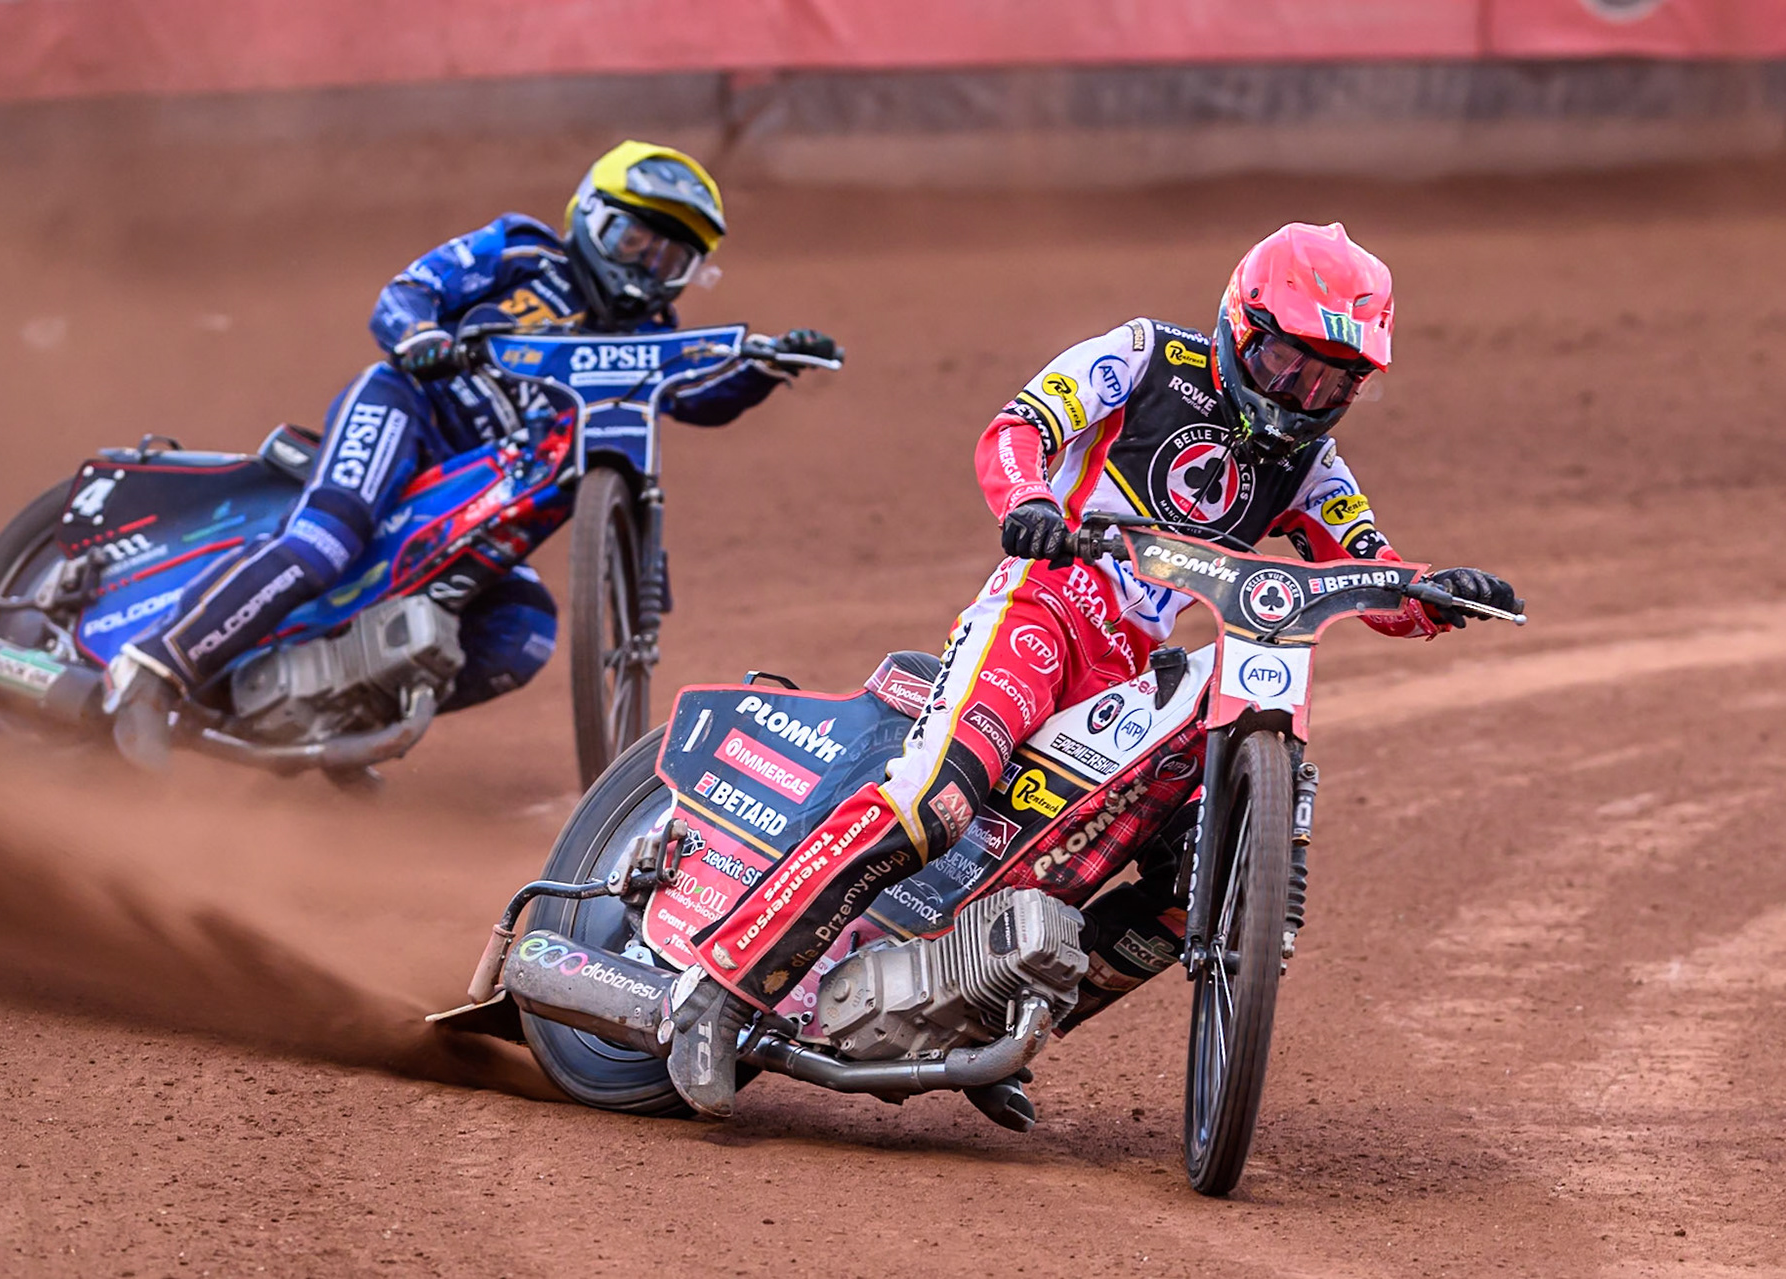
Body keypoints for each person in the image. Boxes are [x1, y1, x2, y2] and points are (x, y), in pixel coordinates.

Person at [663, 221, 1519, 1116]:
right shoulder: (1144, 355)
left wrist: (1432, 592)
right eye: (1285, 366)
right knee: (935, 805)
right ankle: (719, 989)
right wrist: (1030, 500)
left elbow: (1365, 565)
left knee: (1196, 885)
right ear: (1238, 324)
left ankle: (989, 1034)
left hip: (1131, 673)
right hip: (1043, 609)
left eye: (1332, 380)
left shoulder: (1312, 465)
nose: (1302, 396)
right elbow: (1019, 427)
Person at [106, 140, 840, 769]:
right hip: (408, 410)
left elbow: (690, 399)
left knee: (522, 628)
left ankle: (337, 722)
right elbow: (410, 291)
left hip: (480, 493)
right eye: (633, 242)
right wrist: (420, 336)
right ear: (589, 219)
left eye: (670, 255)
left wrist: (764, 370)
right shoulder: (523, 251)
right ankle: (152, 671)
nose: (646, 268)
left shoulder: (649, 329)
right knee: (328, 539)